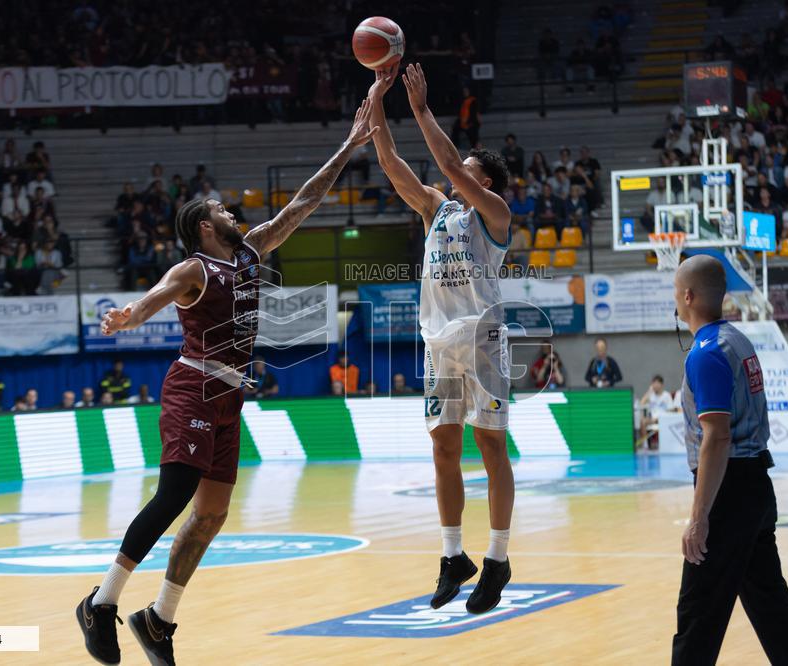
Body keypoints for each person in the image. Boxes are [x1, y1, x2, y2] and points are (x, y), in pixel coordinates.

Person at [75, 98, 379, 666]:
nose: (232, 212)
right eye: (221, 209)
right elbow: (157, 296)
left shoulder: (249, 253)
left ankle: (158, 618)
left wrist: (350, 145)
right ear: (204, 226)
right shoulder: (194, 267)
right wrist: (128, 316)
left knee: (211, 514)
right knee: (175, 494)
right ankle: (101, 601)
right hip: (192, 386)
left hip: (229, 395)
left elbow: (304, 202)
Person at [370, 63, 514, 614]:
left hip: (483, 339)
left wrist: (422, 108)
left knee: (490, 446)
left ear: (485, 183)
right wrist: (376, 100)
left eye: (469, 171)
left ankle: (497, 559)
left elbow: (450, 164)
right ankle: (453, 556)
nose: (454, 174)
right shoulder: (436, 209)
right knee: (443, 447)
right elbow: (392, 163)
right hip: (439, 344)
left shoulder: (495, 214)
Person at [671, 255, 788, 664]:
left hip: (728, 492)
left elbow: (717, 437)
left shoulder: (706, 353)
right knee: (772, 610)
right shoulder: (737, 340)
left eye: (675, 293)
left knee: (698, 614)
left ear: (688, 296)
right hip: (755, 486)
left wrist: (699, 517)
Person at [638, 375, 674, 450]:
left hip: (664, 419)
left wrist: (661, 417)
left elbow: (671, 409)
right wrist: (649, 391)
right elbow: (641, 403)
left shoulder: (666, 395)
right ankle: (645, 444)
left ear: (661, 384)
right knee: (643, 421)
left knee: (654, 419)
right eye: (653, 384)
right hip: (652, 419)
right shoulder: (651, 395)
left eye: (657, 383)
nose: (655, 386)